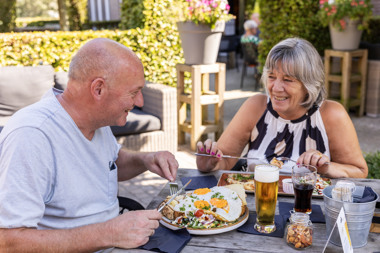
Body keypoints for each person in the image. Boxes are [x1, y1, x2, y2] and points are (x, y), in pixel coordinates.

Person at [0, 38, 179, 252]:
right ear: (99, 89)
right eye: (133, 92)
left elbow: (110, 164)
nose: (140, 101)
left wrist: (146, 159)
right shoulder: (32, 135)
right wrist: (109, 233)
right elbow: (9, 242)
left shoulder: (95, 119)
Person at [196, 37, 368, 178]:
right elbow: (224, 160)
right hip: (257, 207)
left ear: (309, 84)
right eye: (271, 76)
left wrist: (326, 167)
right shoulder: (255, 107)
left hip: (311, 212)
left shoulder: (331, 114)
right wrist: (209, 163)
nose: (276, 87)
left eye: (287, 80)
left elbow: (359, 172)